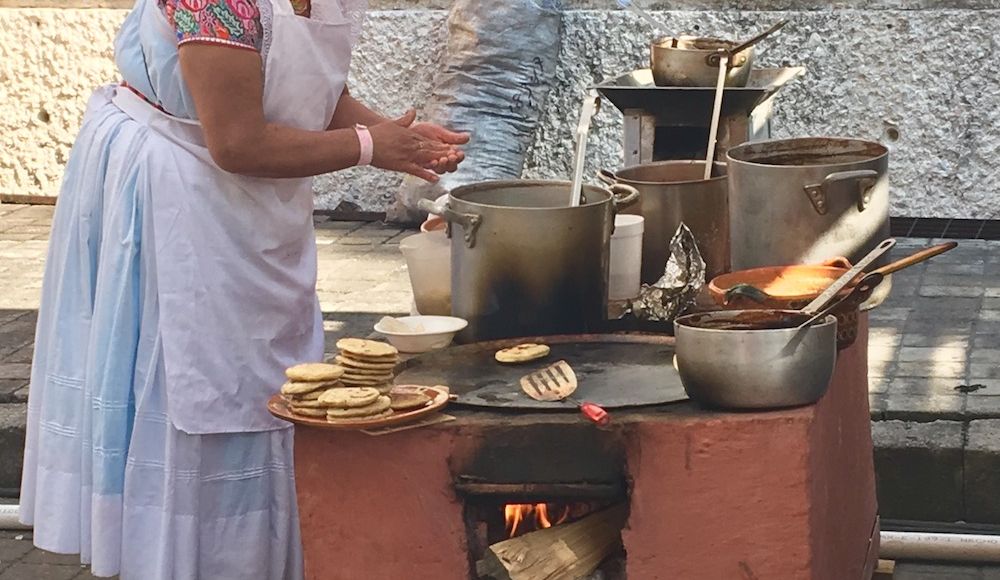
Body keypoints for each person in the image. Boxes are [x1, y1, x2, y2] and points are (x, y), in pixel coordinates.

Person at [17, 0, 468, 577]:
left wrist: (389, 133)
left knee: (269, 375)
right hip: (178, 187)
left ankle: (261, 556)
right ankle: (188, 557)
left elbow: (307, 84)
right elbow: (237, 143)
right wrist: (370, 147)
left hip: (252, 201)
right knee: (202, 371)